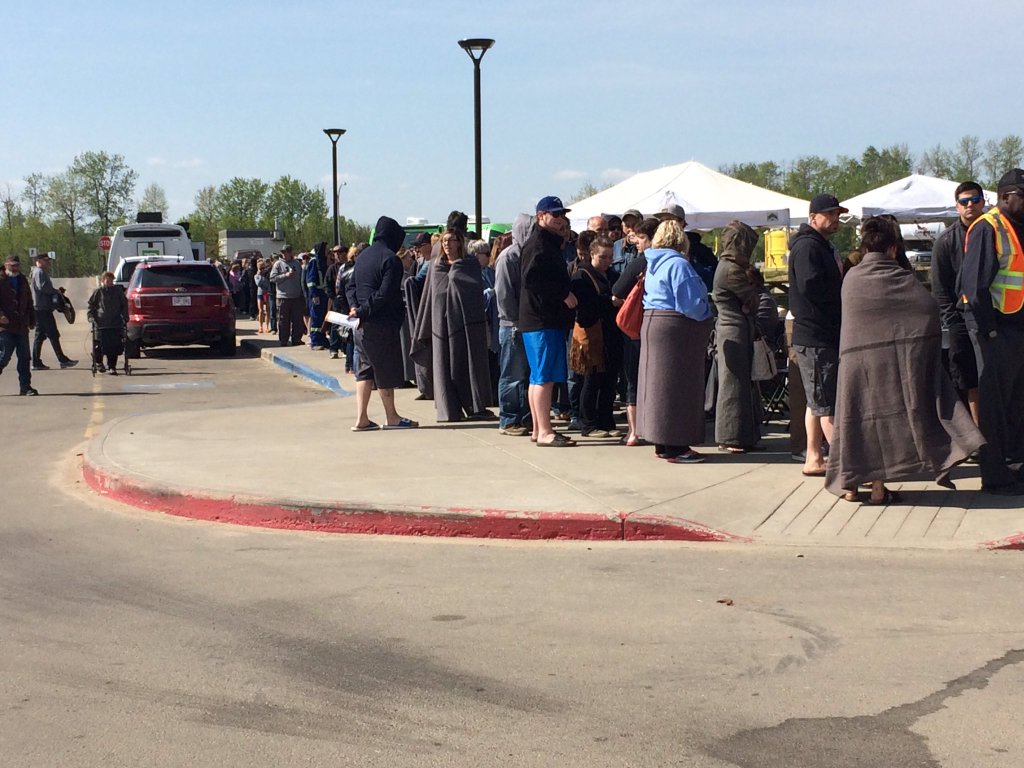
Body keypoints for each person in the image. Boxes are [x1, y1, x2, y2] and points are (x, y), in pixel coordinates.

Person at [826, 217, 984, 503]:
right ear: (893, 249)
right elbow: (927, 309)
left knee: (857, 423)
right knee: (883, 427)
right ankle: (876, 488)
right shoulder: (902, 277)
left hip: (855, 366)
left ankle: (850, 486)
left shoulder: (851, 278)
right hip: (891, 363)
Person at [959, 168, 1024, 494]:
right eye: (1022, 197)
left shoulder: (1017, 227)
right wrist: (990, 331)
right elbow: (974, 286)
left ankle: (1016, 466)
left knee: (1017, 403)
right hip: (995, 328)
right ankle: (996, 474)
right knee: (996, 405)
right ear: (1005, 197)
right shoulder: (989, 227)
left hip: (1016, 327)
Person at [636, 220, 713, 462]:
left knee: (657, 386)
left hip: (652, 323)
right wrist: (707, 313)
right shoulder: (678, 264)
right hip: (675, 328)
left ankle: (661, 442)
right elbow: (690, 304)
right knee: (679, 388)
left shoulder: (653, 263)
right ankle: (678, 447)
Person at [788, 193, 847, 477]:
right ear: (813, 217)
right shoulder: (808, 247)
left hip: (819, 334)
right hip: (816, 335)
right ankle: (846, 465)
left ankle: (814, 457)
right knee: (827, 404)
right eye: (830, 214)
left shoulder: (821, 245)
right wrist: (841, 297)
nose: (835, 218)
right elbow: (811, 286)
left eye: (837, 213)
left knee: (817, 401)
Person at [410, 228, 494, 422]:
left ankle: (473, 406)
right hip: (441, 326)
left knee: (465, 364)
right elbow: (429, 293)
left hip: (465, 326)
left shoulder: (468, 265)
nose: (447, 244)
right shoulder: (435, 266)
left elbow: (474, 294)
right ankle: (449, 409)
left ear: (459, 243)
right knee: (444, 366)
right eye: (444, 241)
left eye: (451, 240)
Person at [346, 216, 418, 431]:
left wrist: (355, 308)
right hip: (381, 323)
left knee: (365, 370)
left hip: (361, 325)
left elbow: (350, 286)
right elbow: (385, 293)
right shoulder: (391, 260)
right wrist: (363, 310)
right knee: (385, 369)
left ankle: (362, 418)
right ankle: (392, 417)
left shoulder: (363, 257)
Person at [520, 196, 578, 447]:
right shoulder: (539, 244)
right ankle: (544, 431)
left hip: (541, 319)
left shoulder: (547, 243)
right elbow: (531, 279)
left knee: (539, 377)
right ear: (541, 216)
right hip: (542, 319)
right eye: (555, 215)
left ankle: (538, 429)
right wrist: (563, 294)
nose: (560, 219)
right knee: (543, 377)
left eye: (562, 214)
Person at [931, 181, 985, 423]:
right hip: (961, 321)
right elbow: (940, 289)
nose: (969, 205)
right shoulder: (946, 241)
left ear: (983, 202)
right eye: (964, 201)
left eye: (974, 200)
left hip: (995, 317)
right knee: (968, 378)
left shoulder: (996, 232)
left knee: (996, 377)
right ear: (957, 206)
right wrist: (953, 322)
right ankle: (979, 435)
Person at [712, 220, 762, 452]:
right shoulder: (732, 270)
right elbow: (751, 302)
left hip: (731, 329)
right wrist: (753, 294)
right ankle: (732, 438)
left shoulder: (725, 266)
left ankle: (738, 437)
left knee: (736, 384)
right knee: (734, 386)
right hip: (734, 330)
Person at [570, 236, 622, 437]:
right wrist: (609, 302)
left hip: (611, 334)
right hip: (592, 335)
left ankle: (606, 421)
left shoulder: (613, 275)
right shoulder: (581, 276)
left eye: (610, 257)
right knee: (591, 380)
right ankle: (588, 424)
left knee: (609, 380)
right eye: (603, 257)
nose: (607, 261)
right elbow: (585, 308)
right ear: (592, 254)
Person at [494, 214, 534, 436]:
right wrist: (515, 321)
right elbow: (503, 294)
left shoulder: (529, 255)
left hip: (527, 324)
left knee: (526, 375)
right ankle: (508, 419)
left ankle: (525, 418)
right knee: (512, 375)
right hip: (511, 325)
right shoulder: (508, 257)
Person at [30, 252, 76, 369]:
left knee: (40, 335)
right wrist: (56, 292)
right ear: (39, 261)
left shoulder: (38, 272)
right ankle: (62, 360)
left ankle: (36, 362)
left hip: (41, 308)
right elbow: (43, 287)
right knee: (53, 334)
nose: (48, 263)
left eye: (48, 261)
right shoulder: (39, 272)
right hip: (42, 308)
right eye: (46, 261)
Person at [0, 255, 37, 395]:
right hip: (5, 327)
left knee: (24, 357)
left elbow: (28, 300)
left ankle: (25, 387)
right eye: (12, 265)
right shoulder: (1, 279)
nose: (14, 268)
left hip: (21, 325)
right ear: (6, 265)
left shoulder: (21, 279)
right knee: (4, 356)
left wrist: (32, 320)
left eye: (16, 265)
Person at [87, 271, 129, 375]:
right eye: (107, 280)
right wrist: (91, 317)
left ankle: (112, 367)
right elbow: (91, 306)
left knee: (113, 346)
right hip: (101, 324)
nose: (110, 283)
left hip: (115, 323)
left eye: (111, 281)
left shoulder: (118, 291)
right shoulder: (98, 292)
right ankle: (99, 363)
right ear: (102, 281)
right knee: (99, 345)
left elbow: (124, 304)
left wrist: (125, 317)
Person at [269, 245, 305, 347]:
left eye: (287, 252)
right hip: (283, 297)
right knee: (283, 320)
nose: (285, 254)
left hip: (296, 296)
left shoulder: (297, 264)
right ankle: (284, 340)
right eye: (283, 252)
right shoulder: (278, 264)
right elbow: (272, 278)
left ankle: (296, 339)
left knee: (297, 320)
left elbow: (301, 278)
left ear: (291, 253)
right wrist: (285, 276)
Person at [306, 241, 329, 350]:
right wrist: (314, 295)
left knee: (323, 317)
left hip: (324, 294)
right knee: (316, 318)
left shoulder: (323, 262)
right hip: (317, 295)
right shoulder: (314, 262)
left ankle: (322, 339)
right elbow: (310, 281)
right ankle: (315, 341)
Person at [254, 259, 271, 334]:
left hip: (267, 293)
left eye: (263, 268)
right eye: (261, 268)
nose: (262, 270)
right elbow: (258, 284)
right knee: (261, 310)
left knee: (267, 311)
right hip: (260, 294)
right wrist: (260, 275)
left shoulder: (267, 275)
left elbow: (269, 284)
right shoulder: (256, 276)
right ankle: (260, 326)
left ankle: (267, 326)